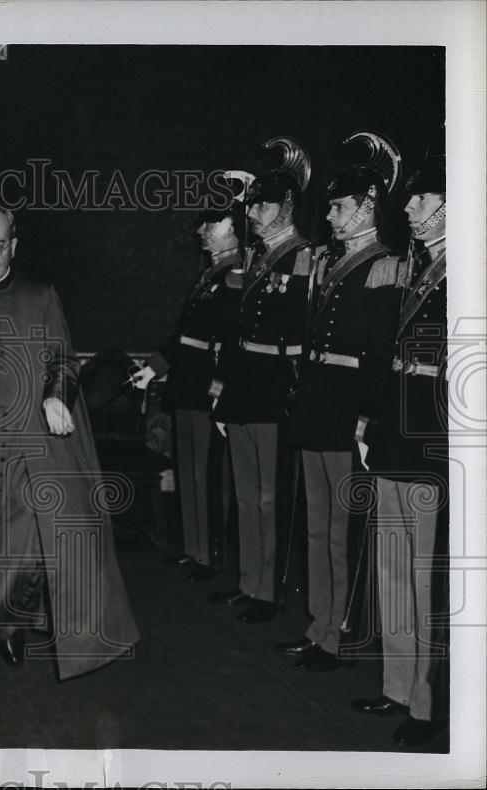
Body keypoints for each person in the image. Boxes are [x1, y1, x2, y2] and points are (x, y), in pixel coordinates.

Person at [0, 203, 139, 691]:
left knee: (28, 547)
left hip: (27, 440)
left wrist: (58, 395)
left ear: (14, 245)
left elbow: (63, 359)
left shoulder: (40, 296)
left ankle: (12, 621)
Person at [278, 132, 404, 671]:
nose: (329, 216)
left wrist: (367, 416)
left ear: (367, 208)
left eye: (338, 207)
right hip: (316, 405)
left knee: (343, 531)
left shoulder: (386, 266)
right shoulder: (333, 264)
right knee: (317, 526)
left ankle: (342, 633)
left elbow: (380, 352)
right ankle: (319, 624)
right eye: (329, 206)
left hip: (347, 410)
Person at [351, 149, 448, 746]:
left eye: (421, 198)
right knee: (393, 570)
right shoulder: (420, 268)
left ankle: (429, 705)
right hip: (395, 436)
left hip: (430, 442)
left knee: (425, 578)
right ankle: (396, 687)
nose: (408, 207)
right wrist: (370, 425)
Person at [209, 137, 314, 624]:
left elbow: (299, 331)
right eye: (251, 204)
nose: (252, 212)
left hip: (274, 385)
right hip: (244, 384)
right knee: (247, 494)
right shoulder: (254, 258)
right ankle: (251, 582)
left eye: (262, 205)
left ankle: (269, 591)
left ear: (286, 208)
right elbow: (236, 328)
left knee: (270, 496)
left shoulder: (304, 257)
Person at [132, 175, 248, 581]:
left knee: (213, 477)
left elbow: (230, 345)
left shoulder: (237, 276)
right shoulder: (210, 276)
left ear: (234, 228)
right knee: (190, 473)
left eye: (211, 224)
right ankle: (196, 549)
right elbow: (184, 336)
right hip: (188, 386)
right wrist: (153, 368)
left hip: (209, 391)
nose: (201, 231)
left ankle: (213, 553)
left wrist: (220, 391)